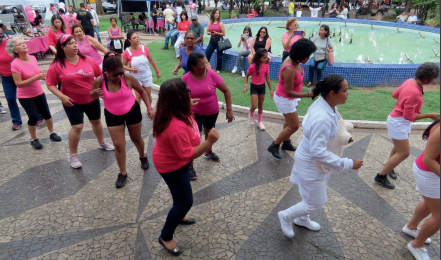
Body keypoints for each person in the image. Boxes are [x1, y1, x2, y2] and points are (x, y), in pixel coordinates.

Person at [277, 75, 364, 238]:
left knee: (309, 194)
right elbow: (318, 152)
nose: (348, 93)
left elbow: (334, 127)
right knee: (316, 202)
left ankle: (302, 218)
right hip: (312, 162)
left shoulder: (327, 105)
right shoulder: (322, 117)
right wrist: (347, 163)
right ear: (332, 93)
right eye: (345, 91)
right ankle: (286, 215)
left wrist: (344, 133)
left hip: (315, 159)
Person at [152, 78, 220, 256]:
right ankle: (165, 236)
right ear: (179, 99)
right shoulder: (175, 125)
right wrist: (209, 142)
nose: (190, 93)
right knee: (185, 202)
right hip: (172, 166)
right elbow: (188, 155)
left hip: (176, 162)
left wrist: (186, 103)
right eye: (186, 91)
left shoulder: (175, 109)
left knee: (180, 195)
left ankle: (180, 214)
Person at [46, 34, 115, 169]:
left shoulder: (87, 60)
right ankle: (73, 155)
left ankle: (101, 142)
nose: (75, 45)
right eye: (70, 43)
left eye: (75, 43)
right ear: (63, 47)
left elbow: (100, 76)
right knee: (77, 127)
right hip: (71, 101)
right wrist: (62, 96)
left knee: (96, 121)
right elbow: (50, 84)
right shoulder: (57, 65)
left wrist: (102, 90)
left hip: (91, 98)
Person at [91, 52, 154, 188]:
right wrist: (94, 94)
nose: (119, 76)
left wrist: (149, 107)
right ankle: (123, 172)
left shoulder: (127, 77)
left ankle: (142, 155)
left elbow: (142, 91)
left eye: (121, 73)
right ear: (106, 71)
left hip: (132, 111)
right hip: (112, 115)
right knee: (119, 145)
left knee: (136, 138)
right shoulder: (99, 81)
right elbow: (92, 94)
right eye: (115, 74)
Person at [375, 62, 440, 189]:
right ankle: (381, 176)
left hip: (400, 121)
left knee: (398, 148)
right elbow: (408, 116)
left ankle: (389, 167)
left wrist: (414, 100)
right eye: (434, 78)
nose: (435, 80)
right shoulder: (414, 92)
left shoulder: (410, 81)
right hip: (399, 122)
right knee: (404, 153)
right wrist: (429, 115)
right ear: (427, 79)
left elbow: (395, 94)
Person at [7, 38, 62, 149]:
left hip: (38, 92)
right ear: (15, 50)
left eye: (23, 43)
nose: (23, 44)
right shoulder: (15, 64)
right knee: (33, 117)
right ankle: (33, 138)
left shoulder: (32, 58)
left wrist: (43, 75)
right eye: (19, 44)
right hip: (25, 96)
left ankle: (52, 133)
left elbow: (37, 71)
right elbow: (19, 83)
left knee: (46, 113)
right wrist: (36, 77)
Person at [182, 51, 234, 168]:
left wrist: (229, 110)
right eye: (201, 65)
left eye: (205, 62)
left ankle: (208, 152)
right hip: (194, 113)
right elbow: (178, 97)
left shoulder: (211, 74)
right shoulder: (185, 79)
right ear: (193, 67)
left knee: (209, 133)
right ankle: (190, 164)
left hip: (212, 112)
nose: (205, 66)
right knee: (195, 137)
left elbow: (226, 90)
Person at [268, 39, 316, 159]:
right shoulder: (289, 69)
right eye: (307, 56)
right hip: (284, 98)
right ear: (300, 55)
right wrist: (308, 94)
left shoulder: (295, 60)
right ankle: (274, 145)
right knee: (294, 125)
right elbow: (289, 92)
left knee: (289, 121)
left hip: (290, 98)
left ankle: (286, 143)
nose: (308, 58)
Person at [404, 119, 440, 260]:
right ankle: (416, 245)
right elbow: (428, 159)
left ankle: (411, 227)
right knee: (439, 217)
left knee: (429, 204)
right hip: (430, 173)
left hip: (431, 173)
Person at [123, 31, 161, 105]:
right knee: (138, 96)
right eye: (134, 38)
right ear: (129, 40)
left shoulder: (144, 48)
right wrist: (131, 69)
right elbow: (123, 65)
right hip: (135, 77)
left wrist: (157, 71)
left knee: (147, 94)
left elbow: (152, 61)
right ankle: (137, 112)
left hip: (146, 75)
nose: (137, 39)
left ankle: (149, 108)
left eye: (137, 37)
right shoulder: (127, 52)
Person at [243, 49, 273, 130]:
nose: (266, 59)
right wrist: (245, 85)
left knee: (260, 105)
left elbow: (268, 79)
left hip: (262, 87)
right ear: (259, 58)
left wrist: (271, 89)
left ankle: (260, 122)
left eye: (267, 57)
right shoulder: (252, 66)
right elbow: (246, 76)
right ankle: (251, 114)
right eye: (264, 57)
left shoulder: (266, 66)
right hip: (254, 86)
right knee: (254, 105)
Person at [205, 9, 226, 74]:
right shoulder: (209, 23)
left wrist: (217, 33)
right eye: (216, 13)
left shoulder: (221, 23)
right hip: (212, 39)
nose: (217, 14)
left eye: (218, 13)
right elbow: (207, 32)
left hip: (219, 39)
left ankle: (218, 69)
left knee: (219, 55)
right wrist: (211, 33)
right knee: (207, 53)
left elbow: (224, 33)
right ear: (213, 14)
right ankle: (206, 66)